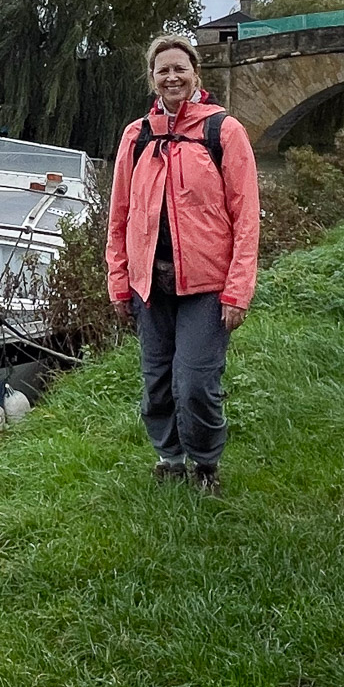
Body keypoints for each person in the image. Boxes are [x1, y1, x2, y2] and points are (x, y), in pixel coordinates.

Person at [105, 35, 260, 494]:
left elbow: (246, 217)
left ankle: (206, 465)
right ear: (152, 78)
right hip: (149, 284)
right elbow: (119, 216)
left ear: (195, 74)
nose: (171, 76)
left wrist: (238, 290)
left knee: (194, 383)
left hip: (208, 285)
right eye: (162, 70)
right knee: (156, 380)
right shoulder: (136, 137)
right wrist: (118, 281)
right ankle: (169, 458)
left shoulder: (223, 131)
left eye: (180, 68)